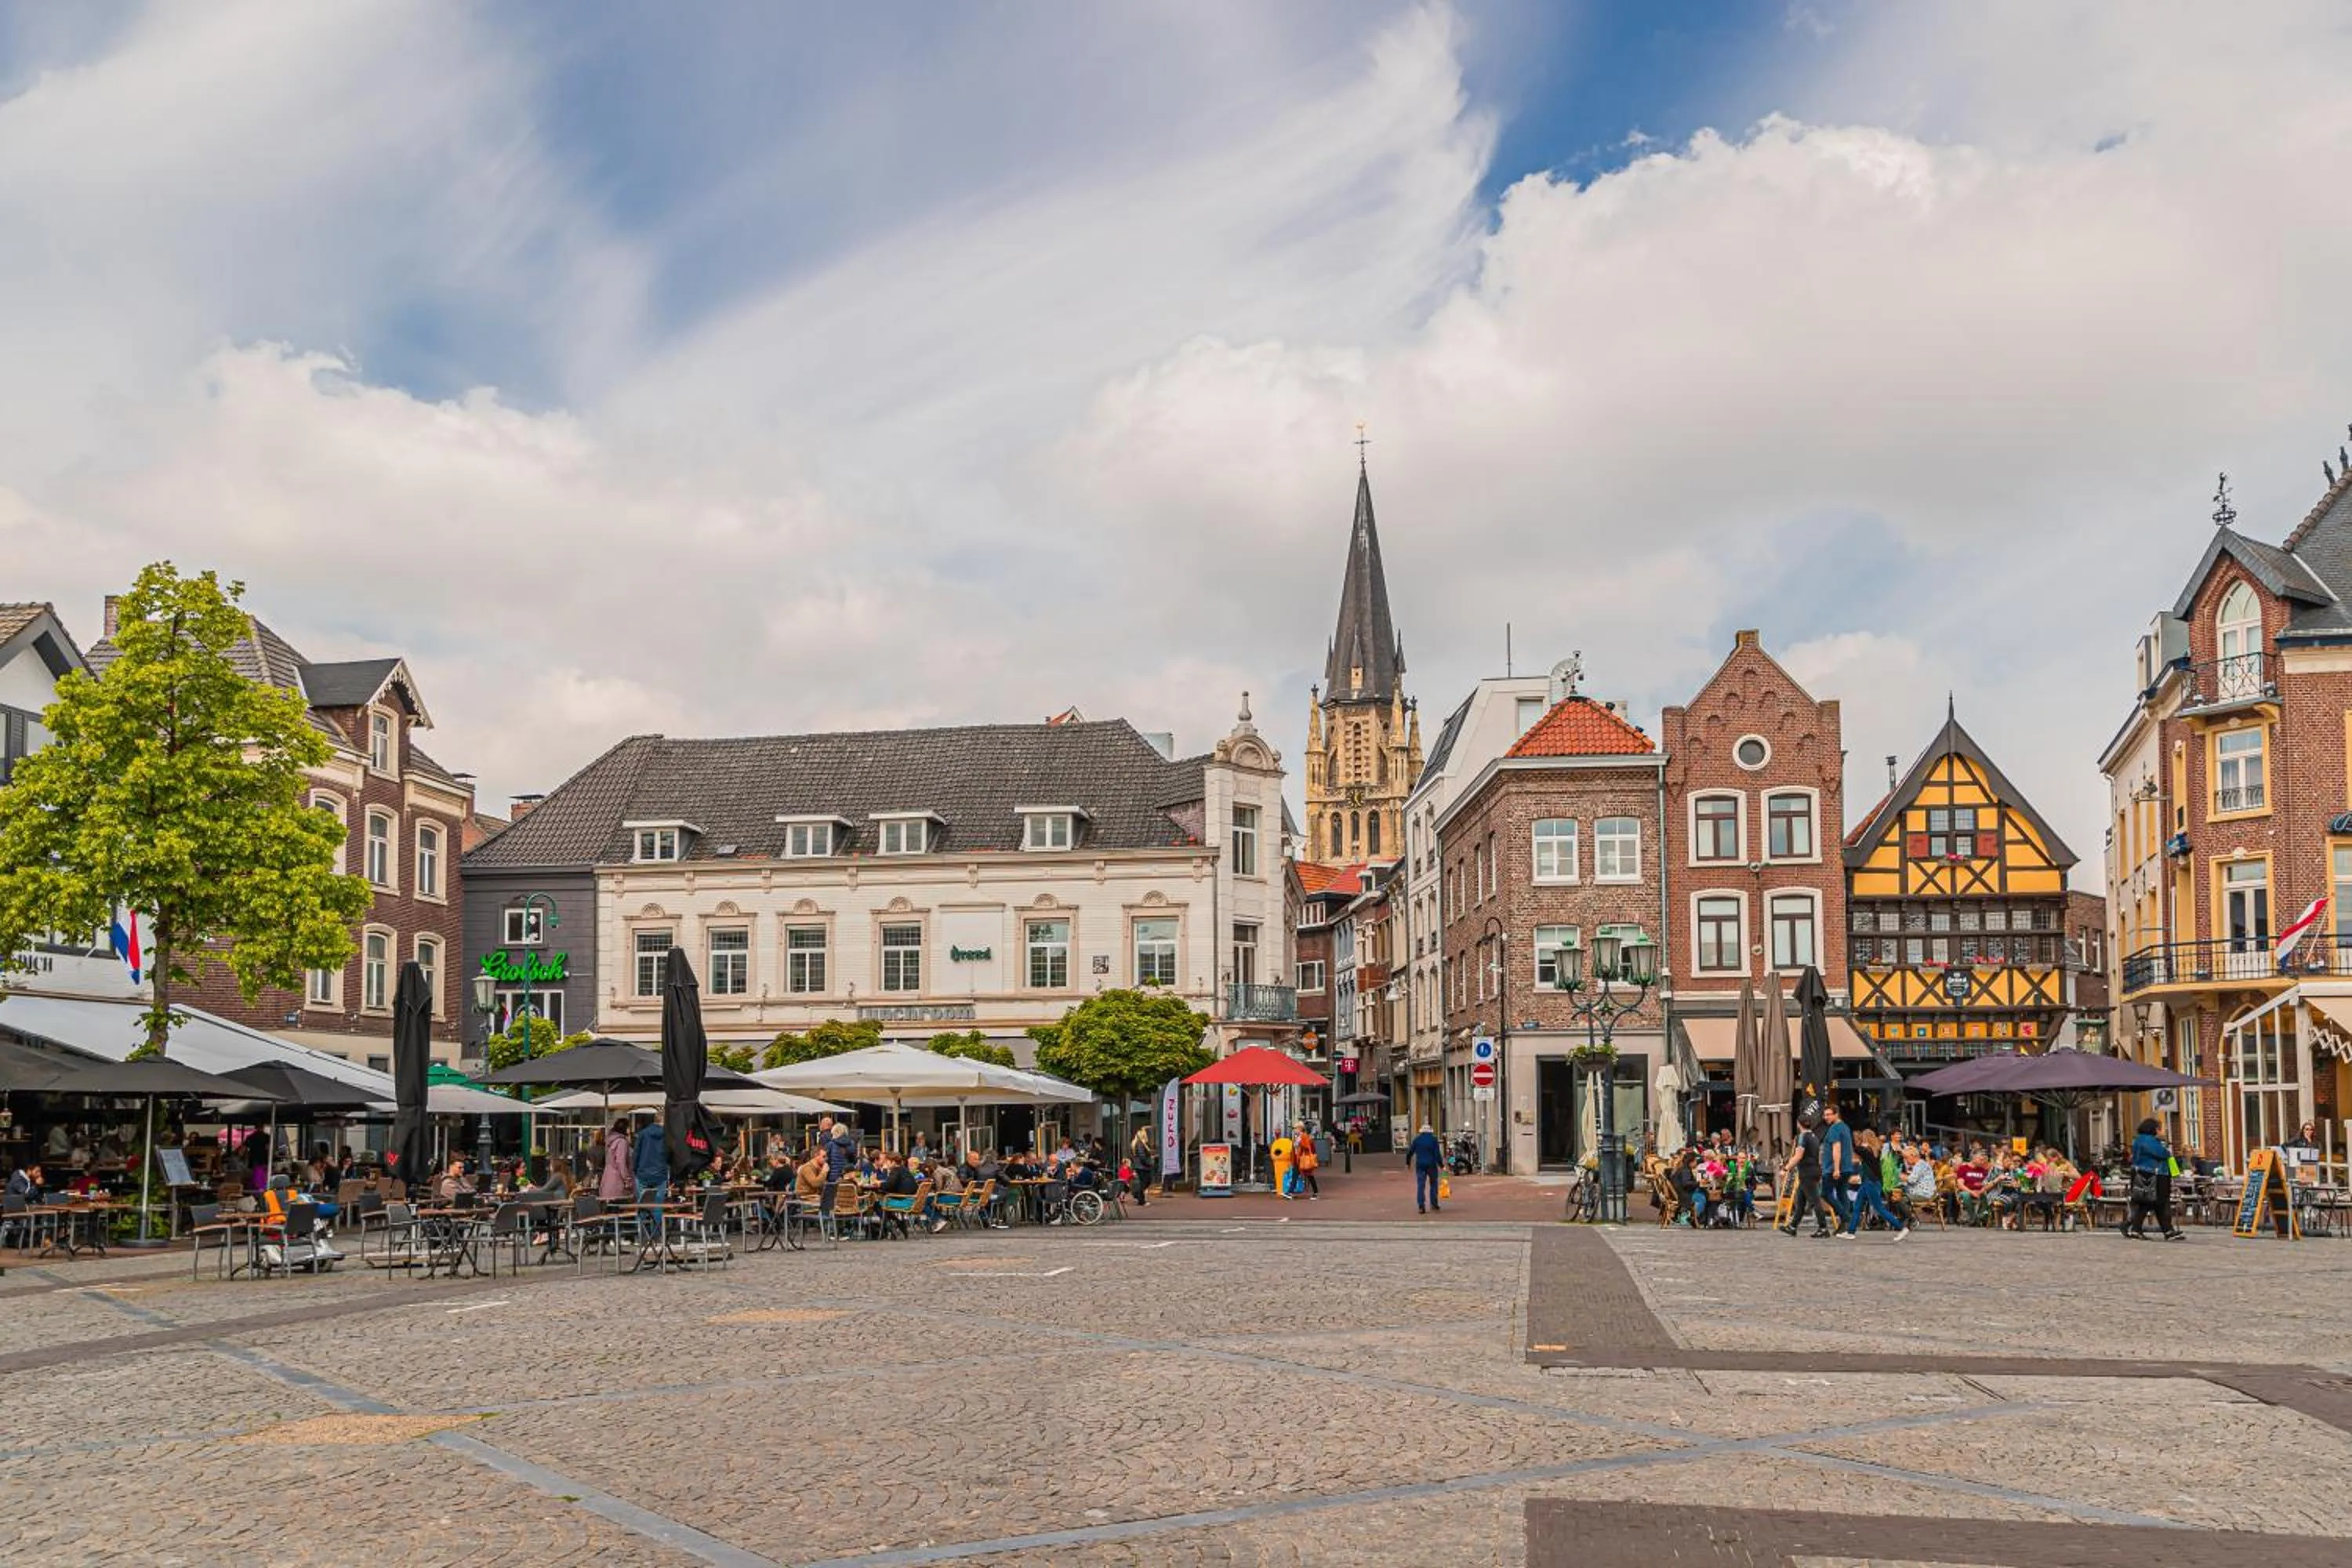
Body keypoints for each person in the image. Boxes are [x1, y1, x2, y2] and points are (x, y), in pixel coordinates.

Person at [2122, 1116, 2184, 1240]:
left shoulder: (2138, 1140)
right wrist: (2167, 1151)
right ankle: (2137, 1228)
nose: (2160, 1131)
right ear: (2154, 1129)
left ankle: (2137, 1228)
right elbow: (2161, 1153)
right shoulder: (2148, 1141)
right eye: (2159, 1129)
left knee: (2148, 1202)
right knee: (2158, 1201)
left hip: (2142, 1174)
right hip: (2154, 1175)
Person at [1844, 1128, 1908, 1240]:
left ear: (1865, 1138)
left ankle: (1901, 1227)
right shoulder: (1876, 1150)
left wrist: (1856, 1140)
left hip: (1871, 1182)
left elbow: (1856, 1149)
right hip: (1869, 1182)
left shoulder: (1867, 1150)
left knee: (1879, 1208)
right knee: (1857, 1206)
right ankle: (1851, 1231)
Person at [1780, 1120, 1828, 1237]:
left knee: (1815, 1200)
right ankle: (1793, 1226)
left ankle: (1823, 1228)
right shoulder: (1814, 1137)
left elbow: (1798, 1156)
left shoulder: (1802, 1137)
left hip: (1807, 1172)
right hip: (1814, 1170)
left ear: (1798, 1124)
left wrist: (1786, 1168)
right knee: (1800, 1201)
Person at [1818, 1104, 1857, 1237]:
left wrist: (1836, 1168)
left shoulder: (1834, 1128)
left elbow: (1837, 1148)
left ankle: (1846, 1217)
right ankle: (1844, 1227)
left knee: (1825, 1193)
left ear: (1836, 1114)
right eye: (1825, 1114)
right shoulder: (1845, 1127)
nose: (1826, 1117)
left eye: (1829, 1114)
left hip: (1834, 1168)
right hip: (1846, 1167)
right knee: (1842, 1193)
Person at [1408, 1123, 1443, 1214]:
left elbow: (1410, 1152)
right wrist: (1441, 1165)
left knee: (1421, 1185)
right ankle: (1434, 1203)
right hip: (1431, 1165)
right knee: (1433, 1184)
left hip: (1420, 1165)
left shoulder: (1417, 1140)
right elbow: (1437, 1154)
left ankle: (1421, 1206)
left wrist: (1407, 1163)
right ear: (1430, 1131)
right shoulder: (1433, 1140)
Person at [633, 1120, 669, 1206]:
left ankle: (641, 1219)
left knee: (642, 1205)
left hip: (643, 1174)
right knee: (658, 1205)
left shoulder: (643, 1134)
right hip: (660, 1174)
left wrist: (635, 1170)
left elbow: (636, 1154)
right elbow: (670, 1154)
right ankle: (656, 1219)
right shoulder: (667, 1136)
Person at [599, 1120, 633, 1203]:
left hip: (608, 1183)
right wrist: (628, 1180)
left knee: (611, 1212)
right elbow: (621, 1163)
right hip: (617, 1185)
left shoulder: (612, 1142)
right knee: (620, 1211)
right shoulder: (622, 1142)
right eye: (629, 1127)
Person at [1129, 1123, 1153, 1207]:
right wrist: (1149, 1163)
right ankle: (1140, 1199)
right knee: (1146, 1182)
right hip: (1143, 1166)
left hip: (1138, 1166)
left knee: (1144, 1182)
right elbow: (1142, 1156)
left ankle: (1138, 1195)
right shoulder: (1140, 1144)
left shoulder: (1134, 1143)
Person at [1294, 1125, 1320, 1200]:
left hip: (1305, 1159)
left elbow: (1306, 1146)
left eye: (1296, 1129)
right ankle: (1291, 1190)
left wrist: (1300, 1143)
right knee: (1306, 1175)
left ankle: (1316, 1193)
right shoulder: (1302, 1136)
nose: (1295, 1130)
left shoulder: (1303, 1137)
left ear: (1300, 1129)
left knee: (1309, 1175)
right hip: (1303, 1158)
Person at [1270, 1128, 1294, 1199]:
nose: (1277, 1134)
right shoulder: (1277, 1142)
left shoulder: (1279, 1143)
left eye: (1278, 1133)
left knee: (1286, 1177)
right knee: (1287, 1177)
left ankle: (1285, 1190)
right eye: (1276, 1132)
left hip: (1283, 1163)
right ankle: (1284, 1190)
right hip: (1281, 1162)